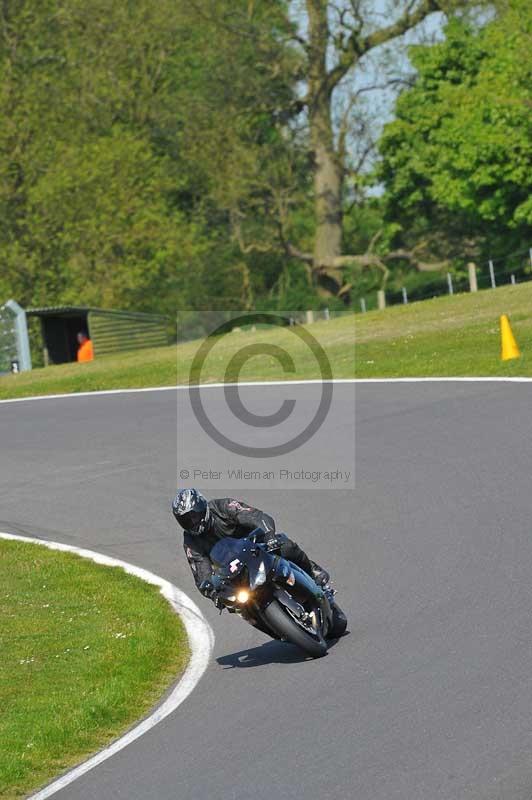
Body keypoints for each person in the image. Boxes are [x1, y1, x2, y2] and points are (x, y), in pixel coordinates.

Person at [172, 488, 330, 601]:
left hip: (258, 547)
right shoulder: (190, 542)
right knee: (237, 605)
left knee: (286, 546)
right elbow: (201, 574)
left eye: (193, 516)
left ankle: (311, 570)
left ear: (202, 507)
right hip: (233, 570)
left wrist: (269, 535)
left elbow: (256, 516)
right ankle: (272, 624)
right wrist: (212, 591)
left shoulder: (223, 507)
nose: (192, 523)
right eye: (185, 520)